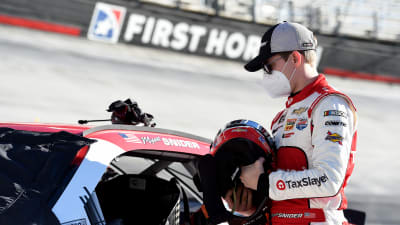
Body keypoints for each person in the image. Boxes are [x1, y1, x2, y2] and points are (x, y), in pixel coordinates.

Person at [237, 22, 358, 225]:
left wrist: (265, 183)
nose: (266, 74)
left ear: (294, 58)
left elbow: (329, 180)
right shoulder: (281, 117)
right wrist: (251, 202)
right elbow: (283, 188)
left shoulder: (330, 105)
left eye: (268, 66)